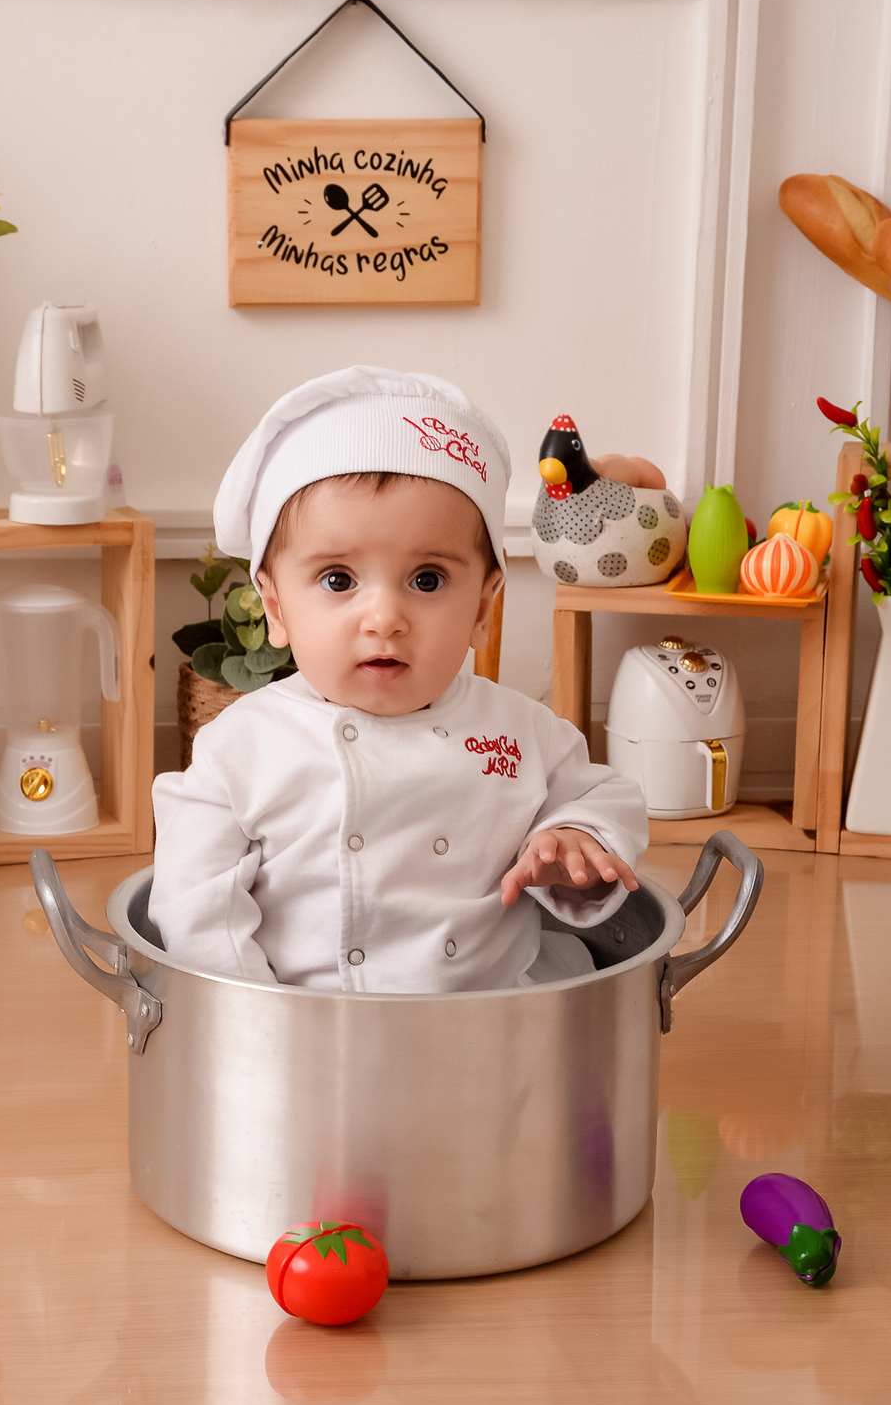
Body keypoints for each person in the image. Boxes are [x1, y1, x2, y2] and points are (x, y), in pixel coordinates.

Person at [150, 365, 647, 993]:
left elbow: (606, 797)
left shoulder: (521, 732)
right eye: (338, 580)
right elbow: (198, 907)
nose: (384, 618)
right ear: (276, 608)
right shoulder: (240, 747)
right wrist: (259, 1018)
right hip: (304, 1036)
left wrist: (576, 837)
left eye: (428, 580)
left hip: (490, 1028)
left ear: (482, 609)